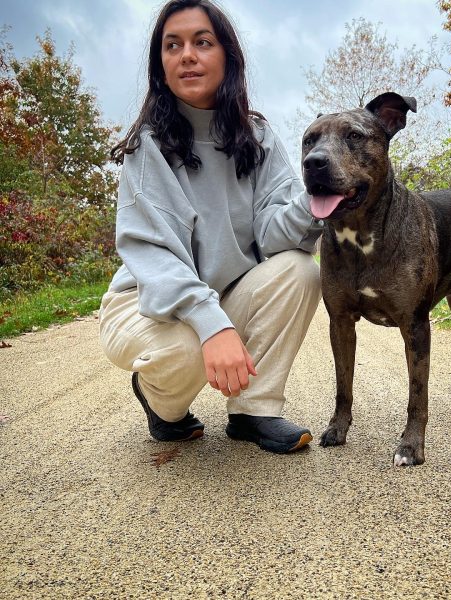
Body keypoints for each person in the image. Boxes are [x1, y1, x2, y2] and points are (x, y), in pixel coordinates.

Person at [99, 0, 323, 454]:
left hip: (222, 296)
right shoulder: (150, 145)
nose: (186, 55)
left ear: (228, 58)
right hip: (145, 304)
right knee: (185, 347)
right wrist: (212, 325)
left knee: (300, 270)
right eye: (172, 45)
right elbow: (156, 255)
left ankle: (253, 411)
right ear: (160, 66)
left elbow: (275, 236)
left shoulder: (257, 138)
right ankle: (163, 406)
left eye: (202, 42)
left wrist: (318, 203)